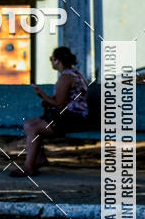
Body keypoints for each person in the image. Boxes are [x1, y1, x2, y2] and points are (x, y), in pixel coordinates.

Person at [12, 46, 89, 177]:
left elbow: (59, 104)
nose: (51, 62)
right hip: (73, 117)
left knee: (32, 128)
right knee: (30, 124)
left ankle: (29, 166)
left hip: (71, 119)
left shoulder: (66, 78)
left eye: (51, 59)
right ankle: (39, 158)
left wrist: (42, 94)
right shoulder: (74, 74)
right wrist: (47, 100)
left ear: (57, 61)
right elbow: (63, 100)